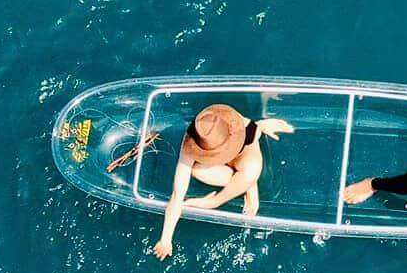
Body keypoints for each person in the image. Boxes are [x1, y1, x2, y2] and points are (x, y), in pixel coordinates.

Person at [107, 102, 294, 258]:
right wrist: (166, 238)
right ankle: (237, 189)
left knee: (250, 172)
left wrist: (264, 125)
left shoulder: (244, 128)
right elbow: (177, 195)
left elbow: (256, 128)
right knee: (199, 171)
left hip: (245, 157)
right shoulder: (195, 141)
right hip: (224, 167)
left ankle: (227, 196)